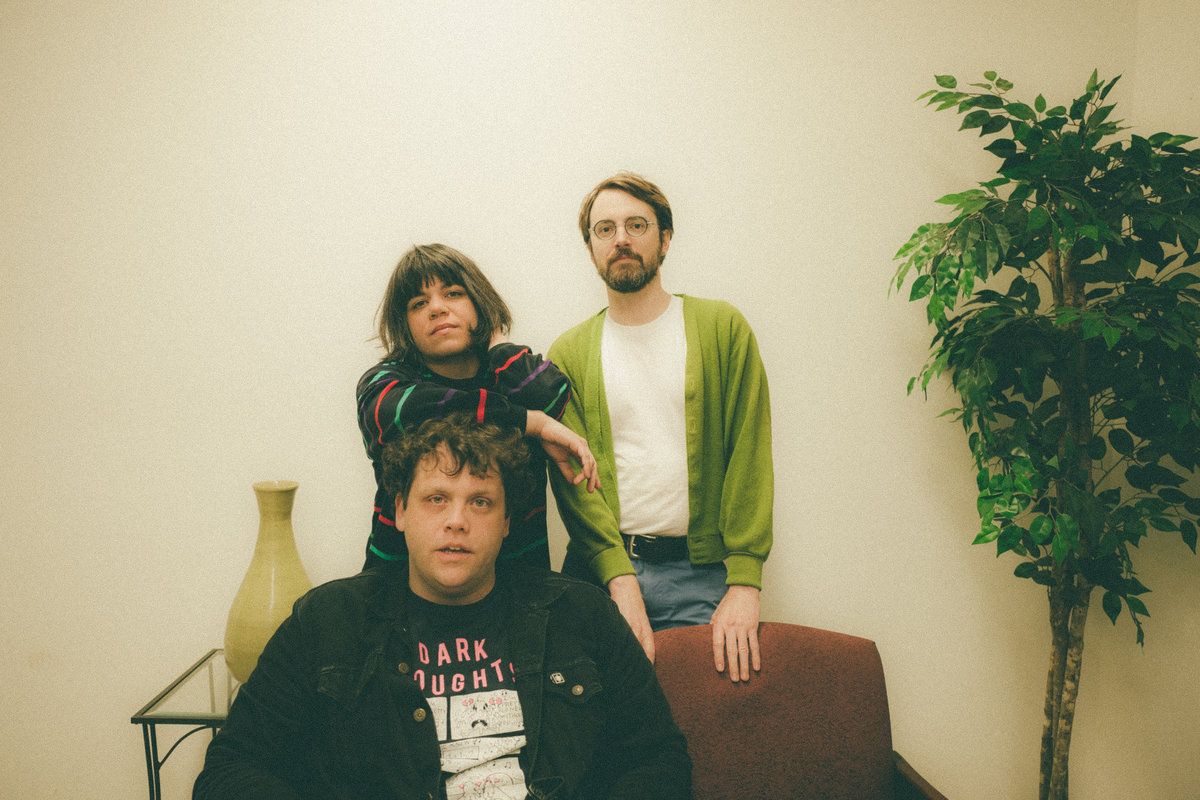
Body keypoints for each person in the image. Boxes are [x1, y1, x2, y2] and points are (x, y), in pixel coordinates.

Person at [194, 414, 690, 799]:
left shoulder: (580, 614)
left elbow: (659, 760)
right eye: (436, 498)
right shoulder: (328, 621)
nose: (457, 520)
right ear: (400, 511)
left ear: (506, 522)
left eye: (480, 502)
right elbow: (230, 769)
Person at [548, 173, 774, 683]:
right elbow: (572, 480)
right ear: (590, 248)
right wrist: (619, 578)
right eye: (605, 229)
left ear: (665, 239)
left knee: (701, 714)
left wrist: (745, 582)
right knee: (596, 722)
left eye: (637, 225)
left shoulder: (722, 329)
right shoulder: (568, 354)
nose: (621, 239)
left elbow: (749, 454)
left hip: (698, 578)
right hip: (598, 575)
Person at [357, 243, 597, 571]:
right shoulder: (388, 381)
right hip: (400, 586)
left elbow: (549, 396)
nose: (437, 308)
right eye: (418, 303)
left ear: (479, 301)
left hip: (519, 583)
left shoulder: (512, 376)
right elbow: (397, 412)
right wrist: (531, 423)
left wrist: (496, 341)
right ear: (405, 324)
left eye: (453, 294)